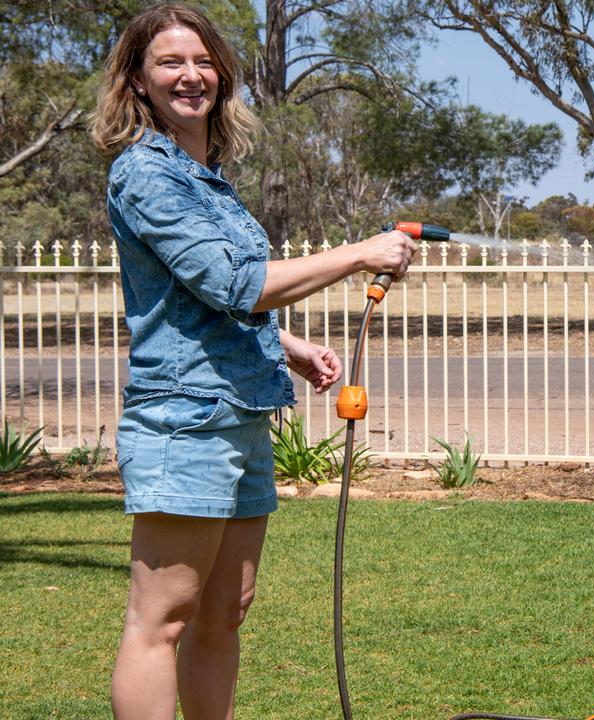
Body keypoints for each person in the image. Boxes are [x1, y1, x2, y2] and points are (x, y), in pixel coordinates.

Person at [90, 5, 419, 718]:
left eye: (202, 60)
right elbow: (233, 282)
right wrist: (361, 252)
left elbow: (208, 300)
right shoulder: (146, 174)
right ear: (138, 82)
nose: (190, 75)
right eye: (169, 63)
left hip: (238, 411)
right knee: (163, 619)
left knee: (226, 611)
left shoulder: (206, 178)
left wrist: (288, 346)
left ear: (222, 75)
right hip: (184, 418)